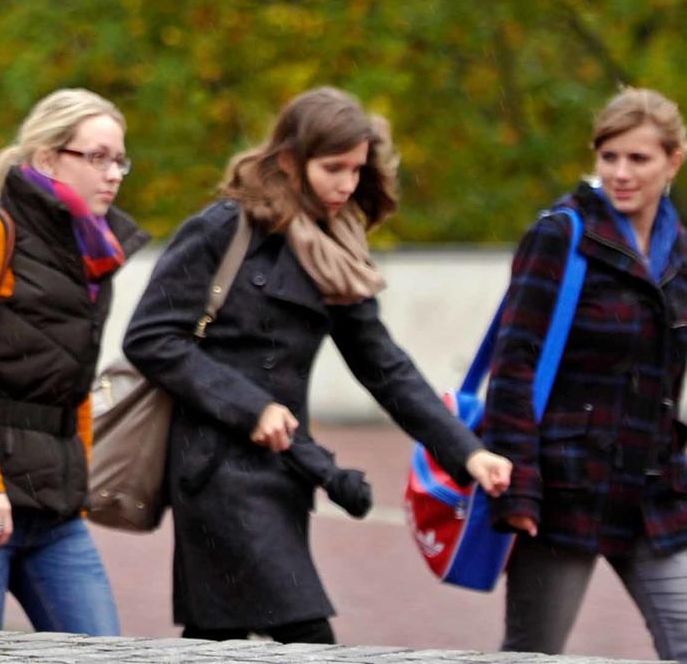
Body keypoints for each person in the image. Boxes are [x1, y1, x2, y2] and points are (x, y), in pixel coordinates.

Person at [123, 86, 511, 643]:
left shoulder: (335, 251)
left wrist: (466, 451)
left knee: (219, 636)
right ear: (288, 159)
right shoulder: (221, 229)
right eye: (334, 168)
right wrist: (250, 407)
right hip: (213, 468)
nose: (348, 185)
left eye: (357, 170)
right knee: (304, 634)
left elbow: (384, 367)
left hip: (284, 470)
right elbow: (151, 338)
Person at [0, 88, 148, 632]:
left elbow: (73, 385)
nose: (113, 174)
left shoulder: (94, 253)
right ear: (46, 158)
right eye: (97, 157)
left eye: (119, 160)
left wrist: (77, 491)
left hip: (56, 514)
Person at [488, 87, 687, 660]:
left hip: (653, 492)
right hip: (564, 489)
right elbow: (514, 364)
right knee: (533, 653)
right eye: (609, 157)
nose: (621, 173)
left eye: (639, 159)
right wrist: (520, 484)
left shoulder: (678, 253)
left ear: (673, 162)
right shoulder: (563, 234)